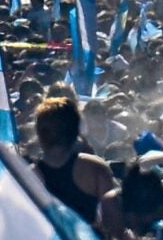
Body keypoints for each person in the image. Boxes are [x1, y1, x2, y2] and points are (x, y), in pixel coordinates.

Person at [27, 93, 114, 230]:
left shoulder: (28, 177)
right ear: (74, 130)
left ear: (39, 133)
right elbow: (114, 226)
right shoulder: (95, 168)